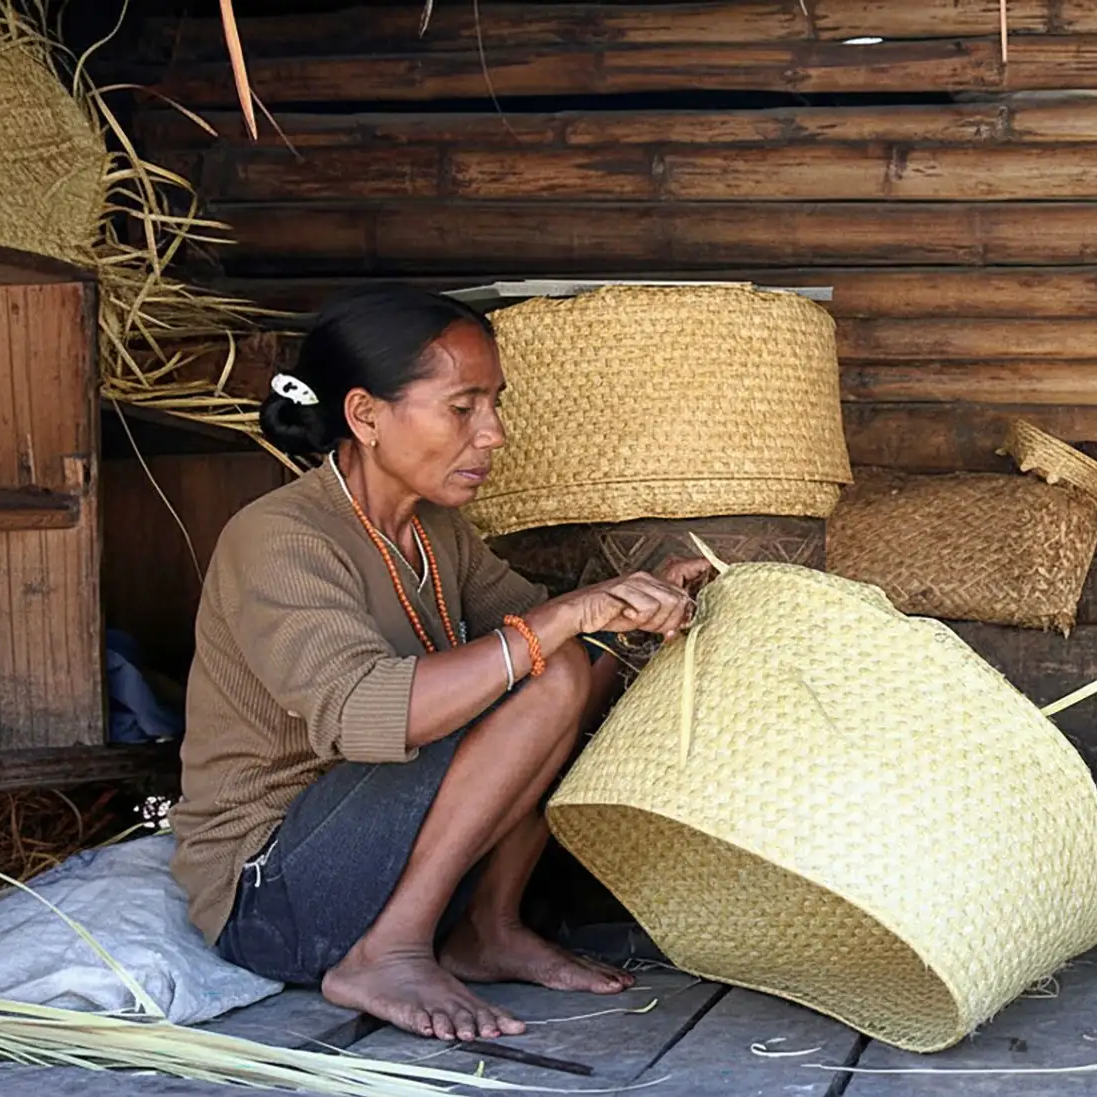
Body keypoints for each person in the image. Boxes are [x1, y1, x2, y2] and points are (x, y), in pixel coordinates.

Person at [169, 284, 715, 1043]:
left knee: (576, 668)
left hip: (373, 865)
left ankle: (485, 926)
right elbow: (368, 713)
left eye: (494, 404)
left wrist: (632, 604)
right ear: (365, 416)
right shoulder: (278, 540)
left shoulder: (435, 534)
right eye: (463, 407)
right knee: (548, 664)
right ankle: (387, 951)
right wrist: (565, 617)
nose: (492, 433)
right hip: (275, 896)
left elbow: (554, 639)